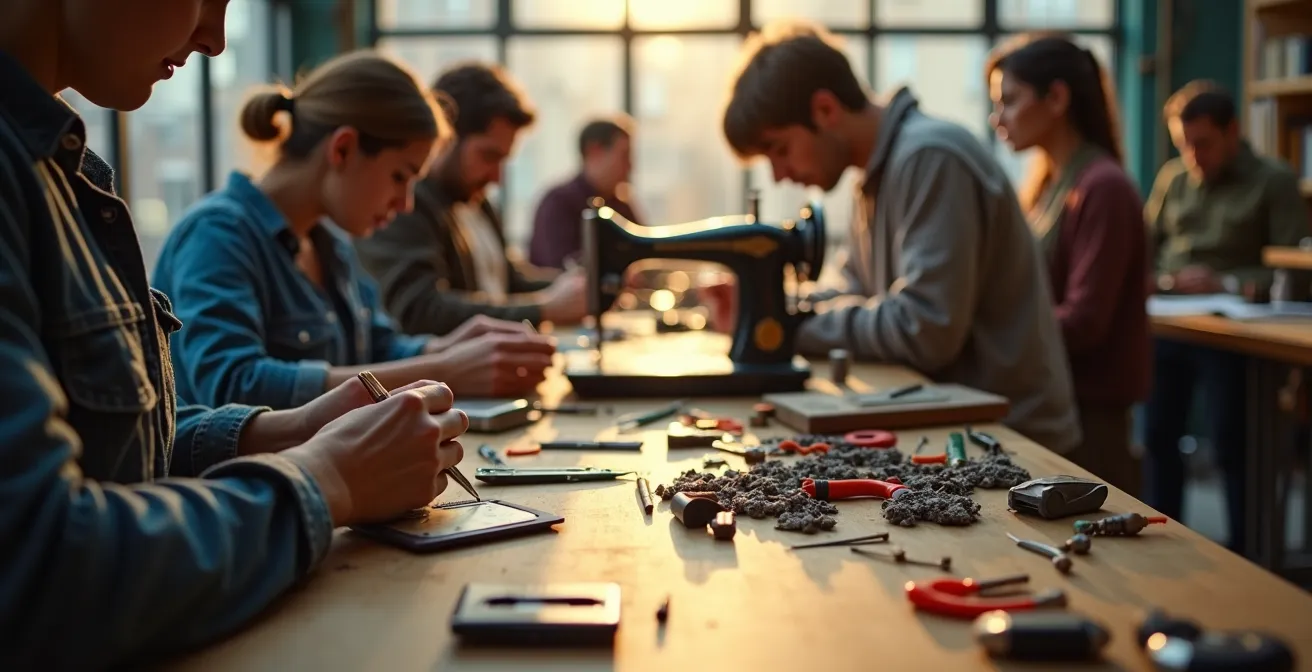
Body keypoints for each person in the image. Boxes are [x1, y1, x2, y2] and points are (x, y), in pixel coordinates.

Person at [0, 1, 472, 668]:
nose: (216, 41)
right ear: (342, 149)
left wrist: (288, 429)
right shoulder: (214, 232)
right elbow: (37, 566)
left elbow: (122, 456)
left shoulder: (58, 174)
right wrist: (324, 477)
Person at [720, 20, 1079, 453]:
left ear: (825, 110)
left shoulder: (930, 158)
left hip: (1016, 444)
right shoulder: (872, 176)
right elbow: (852, 288)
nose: (779, 175)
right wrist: (770, 308)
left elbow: (924, 328)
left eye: (779, 149)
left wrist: (784, 328)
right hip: (956, 428)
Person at [151, 51, 555, 411]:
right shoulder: (217, 236)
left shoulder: (329, 242)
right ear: (342, 149)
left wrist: (448, 347)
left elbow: (377, 347)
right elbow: (233, 385)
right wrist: (445, 368)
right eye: (400, 176)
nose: (406, 204)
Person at [1142, 81, 1311, 551]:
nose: (1193, 156)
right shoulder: (1173, 179)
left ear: (1233, 131)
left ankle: (1247, 550)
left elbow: (1292, 269)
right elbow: (1144, 250)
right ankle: (1163, 541)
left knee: (1232, 443)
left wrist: (1227, 281)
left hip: (1232, 332)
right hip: (1170, 320)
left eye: (1203, 144)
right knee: (1157, 436)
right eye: (1183, 145)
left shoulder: (1272, 180)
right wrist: (1160, 279)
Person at [986, 33, 1151, 496]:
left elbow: (1084, 322)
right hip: (1056, 402)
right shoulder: (1048, 183)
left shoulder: (1104, 187)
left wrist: (990, 335)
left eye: (1010, 101)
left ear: (1056, 98)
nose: (998, 119)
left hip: (1089, 417)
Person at [355, 62, 589, 336]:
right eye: (489, 156)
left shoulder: (478, 202)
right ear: (445, 136)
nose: (497, 177)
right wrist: (543, 309)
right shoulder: (404, 204)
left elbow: (506, 281)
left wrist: (573, 287)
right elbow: (420, 310)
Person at [527, 115, 643, 270]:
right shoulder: (558, 203)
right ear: (594, 151)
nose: (630, 166)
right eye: (624, 155)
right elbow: (561, 269)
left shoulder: (621, 205)